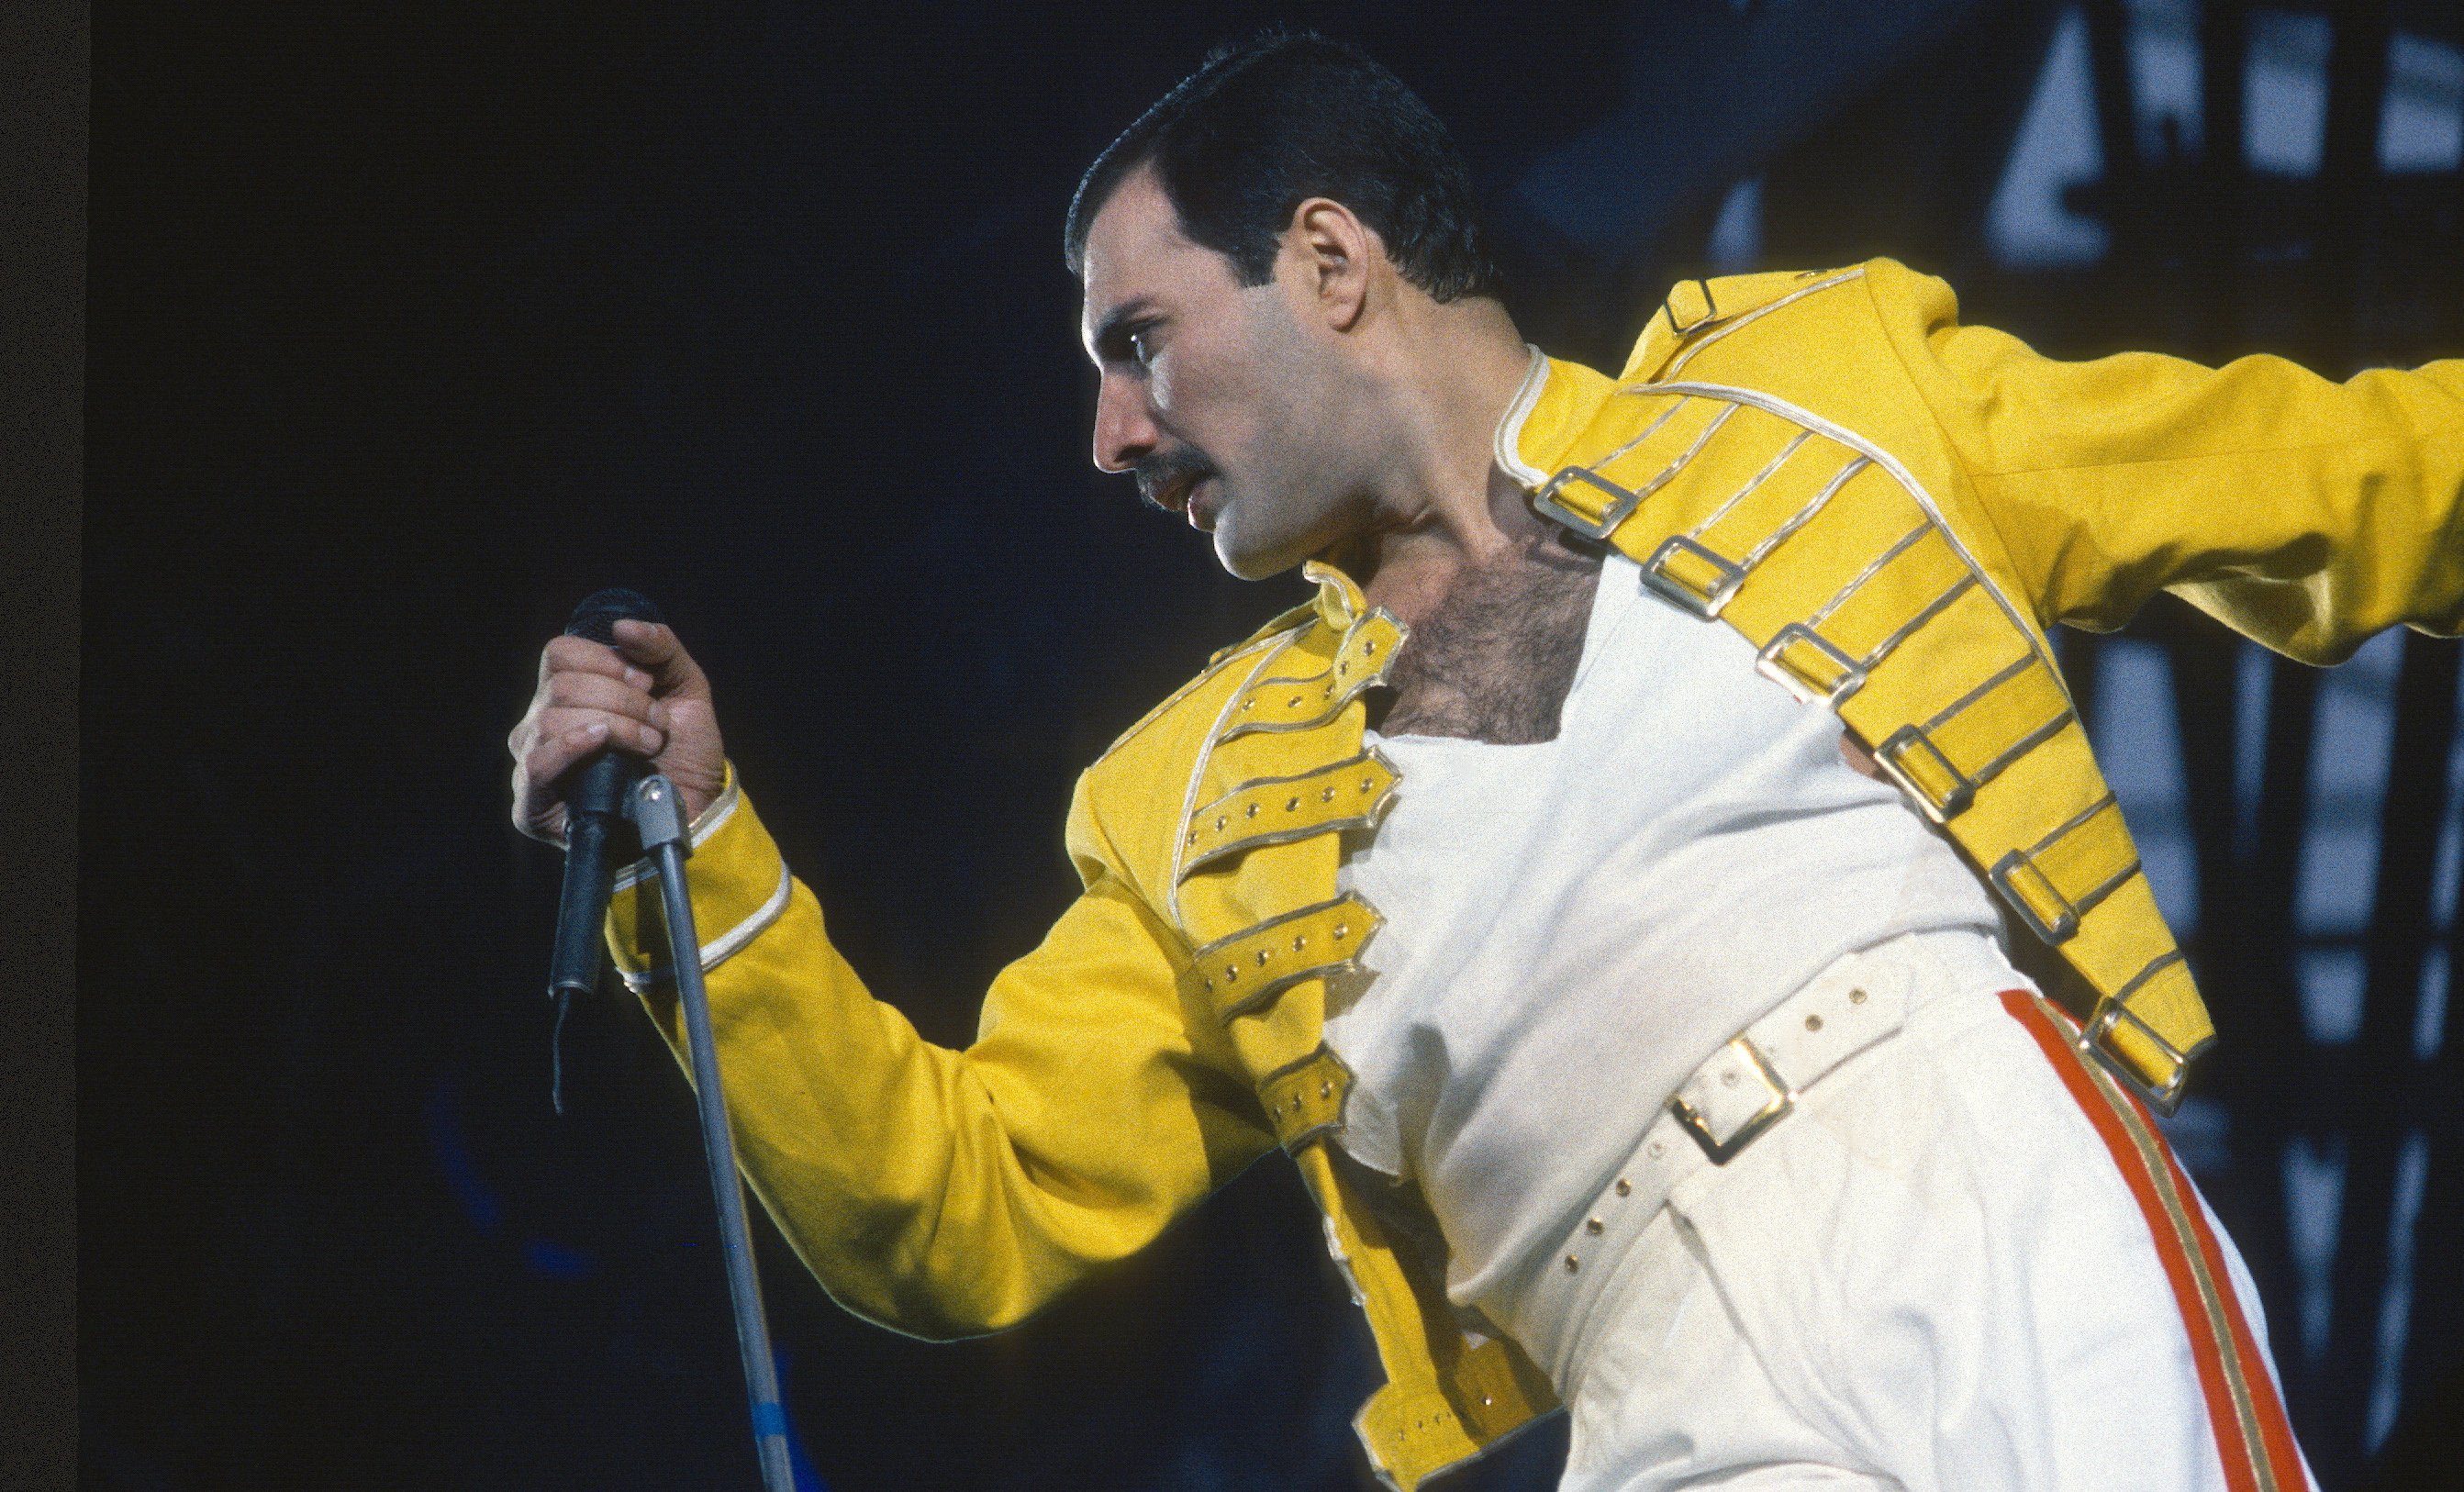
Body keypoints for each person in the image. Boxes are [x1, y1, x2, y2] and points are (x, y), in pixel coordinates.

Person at [506, 30, 2460, 1492]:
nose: (1111, 435)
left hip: (1981, 1174)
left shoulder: (1831, 400)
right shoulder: (1177, 801)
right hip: (1648, 1373)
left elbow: (2359, 481)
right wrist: (713, 854)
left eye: (1138, 342)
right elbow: (952, 1205)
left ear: (1330, 261)